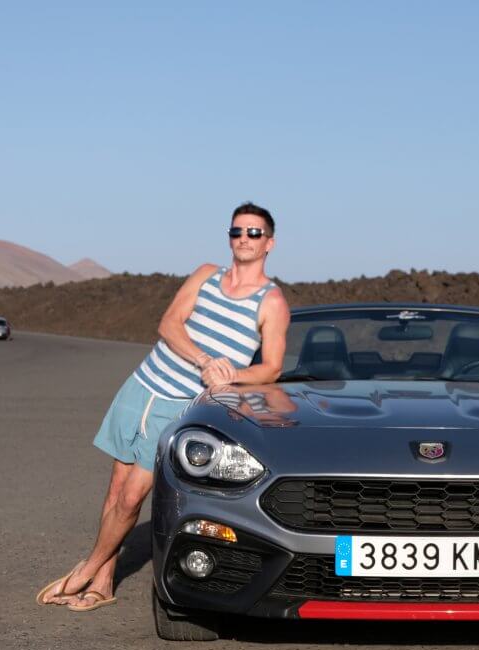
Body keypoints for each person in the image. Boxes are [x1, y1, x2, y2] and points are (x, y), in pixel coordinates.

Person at [36, 201, 290, 611]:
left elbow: (272, 367)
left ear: (270, 244)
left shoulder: (271, 301)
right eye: (237, 231)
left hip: (178, 406)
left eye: (254, 233)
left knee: (133, 497)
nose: (244, 239)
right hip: (141, 386)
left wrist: (231, 375)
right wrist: (205, 360)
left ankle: (86, 568)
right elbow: (169, 323)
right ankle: (103, 583)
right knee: (116, 489)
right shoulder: (206, 274)